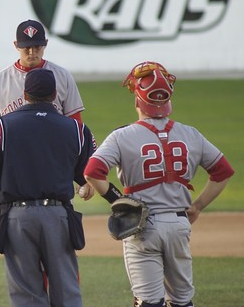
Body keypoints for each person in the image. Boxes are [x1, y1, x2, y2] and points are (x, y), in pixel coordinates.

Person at [83, 61, 234, 307]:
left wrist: (119, 201)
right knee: (183, 301)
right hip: (179, 226)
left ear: (137, 102)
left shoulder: (122, 136)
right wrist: (197, 206)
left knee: (149, 303)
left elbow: (92, 172)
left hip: (142, 228)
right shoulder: (191, 134)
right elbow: (223, 172)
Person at [0, 68, 95, 307]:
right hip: (59, 217)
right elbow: (86, 176)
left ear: (25, 94)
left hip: (17, 218)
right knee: (67, 293)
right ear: (54, 94)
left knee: (27, 296)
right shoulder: (77, 130)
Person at [0, 19, 85, 123]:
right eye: (27, 46)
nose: (32, 52)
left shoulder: (62, 76)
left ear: (45, 43)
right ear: (16, 45)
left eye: (37, 46)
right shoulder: (0, 80)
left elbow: (75, 122)